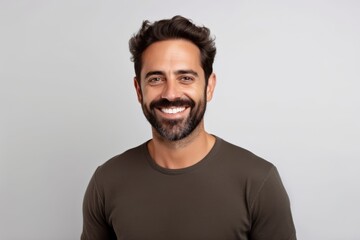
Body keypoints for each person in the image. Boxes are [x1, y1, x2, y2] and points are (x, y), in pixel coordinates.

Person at [81, 15, 296, 240]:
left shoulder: (258, 181)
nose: (171, 93)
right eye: (156, 79)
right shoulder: (106, 182)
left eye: (185, 78)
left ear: (209, 86)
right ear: (138, 90)